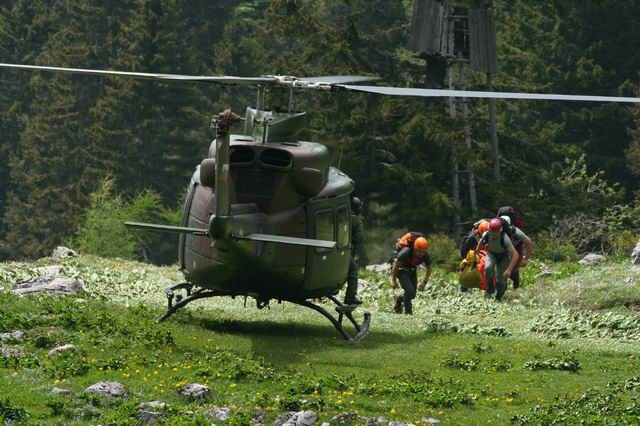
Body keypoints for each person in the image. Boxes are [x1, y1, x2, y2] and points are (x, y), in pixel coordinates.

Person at [478, 218, 519, 301]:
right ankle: (490, 287)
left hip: (504, 256)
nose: (493, 233)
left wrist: (509, 270)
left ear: (500, 230)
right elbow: (481, 241)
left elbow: (515, 255)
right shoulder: (486, 234)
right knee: (487, 268)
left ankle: (498, 297)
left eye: (495, 232)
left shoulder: (505, 238)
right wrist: (477, 250)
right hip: (491, 253)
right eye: (491, 231)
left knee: (501, 280)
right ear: (489, 229)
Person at [391, 235, 432, 314]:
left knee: (412, 295)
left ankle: (399, 299)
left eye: (423, 251)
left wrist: (424, 283)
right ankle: (408, 313)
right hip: (401, 269)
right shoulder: (406, 252)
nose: (421, 254)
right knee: (409, 291)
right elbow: (396, 264)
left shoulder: (426, 256)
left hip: (412, 271)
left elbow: (429, 269)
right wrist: (393, 280)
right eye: (419, 251)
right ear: (415, 248)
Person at [499, 215, 534, 289]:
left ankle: (515, 276)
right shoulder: (496, 230)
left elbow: (530, 243)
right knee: (503, 269)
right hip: (504, 250)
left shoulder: (516, 231)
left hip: (517, 247)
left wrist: (525, 259)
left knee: (513, 270)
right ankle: (503, 287)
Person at [344, 197, 364, 305]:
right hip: (344, 251)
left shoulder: (341, 217)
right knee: (353, 270)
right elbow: (358, 239)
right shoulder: (357, 221)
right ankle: (350, 297)